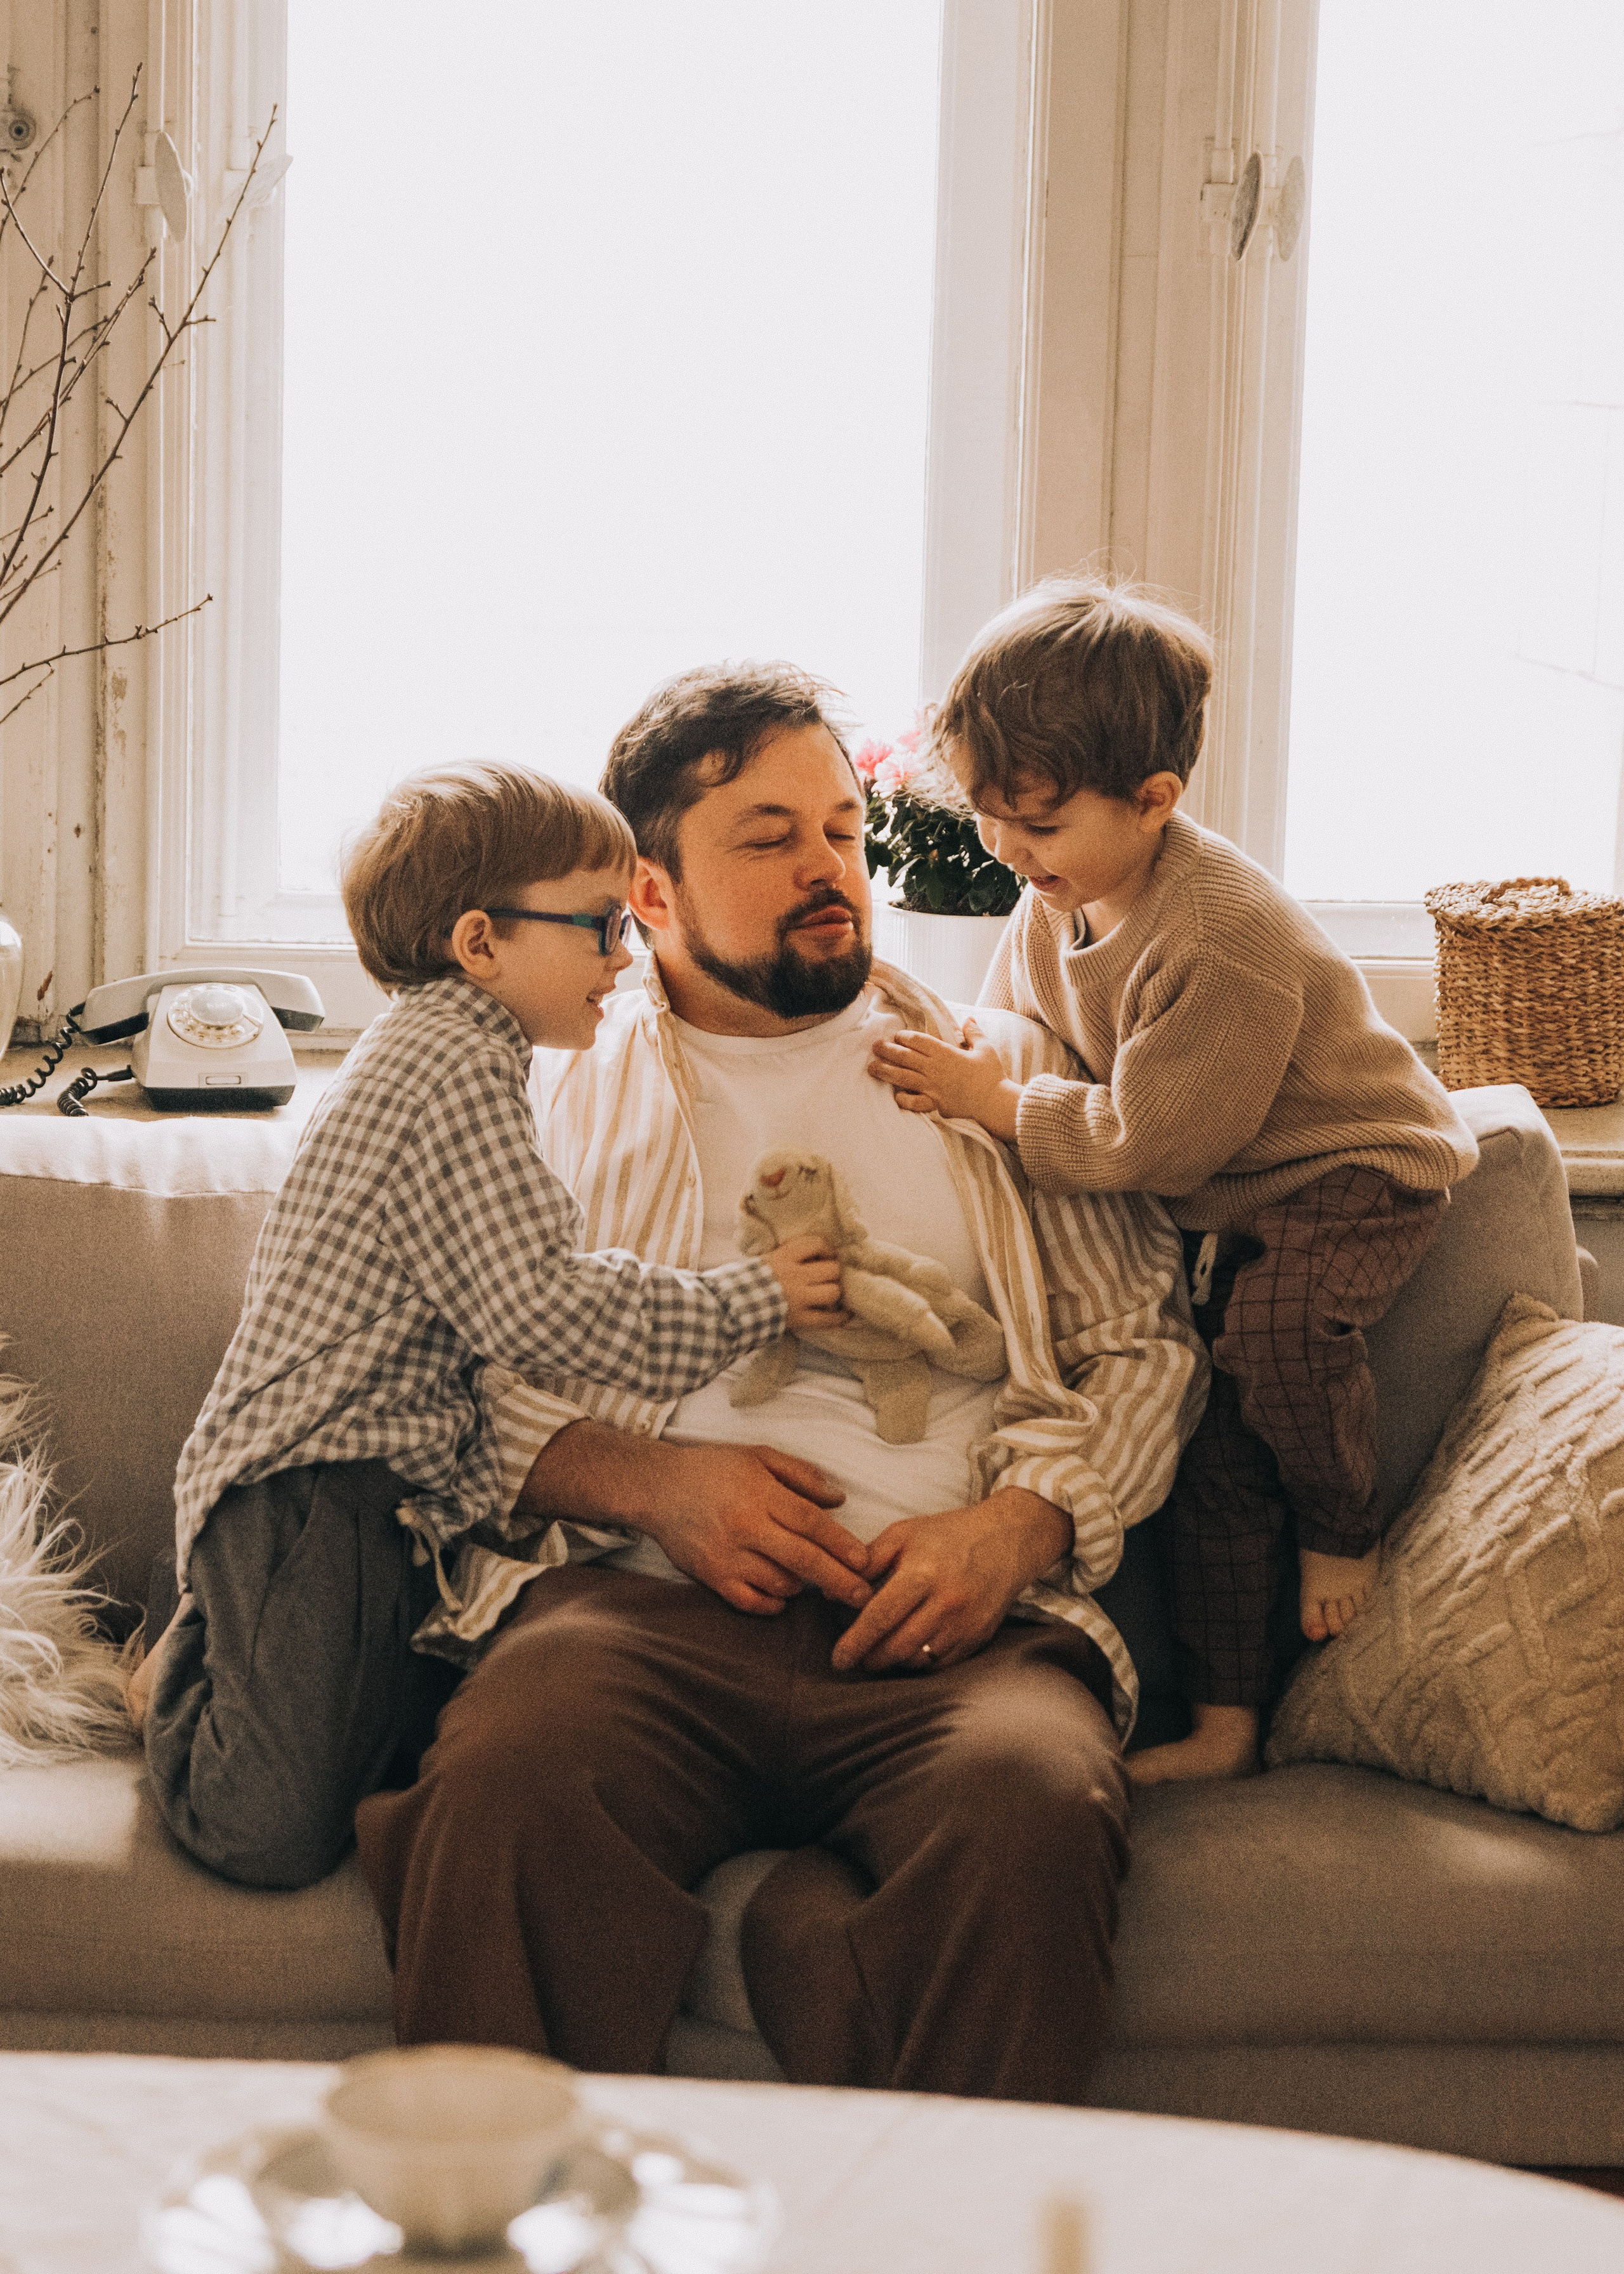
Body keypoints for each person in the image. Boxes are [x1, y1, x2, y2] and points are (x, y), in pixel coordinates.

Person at [355, 665, 1207, 2105]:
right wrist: (648, 1484)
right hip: (637, 1610)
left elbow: (1140, 1346)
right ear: (651, 887)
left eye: (840, 827)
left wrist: (1015, 1529)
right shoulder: (544, 1090)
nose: (827, 868)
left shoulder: (998, 1070)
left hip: (954, 1636)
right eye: (767, 837)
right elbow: (422, 1369)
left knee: (1031, 1802)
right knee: (504, 1778)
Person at [131, 761, 847, 1888]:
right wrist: (751, 1298)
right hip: (314, 1487)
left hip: (390, 1495)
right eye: (602, 923)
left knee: (391, 1749)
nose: (625, 952)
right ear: (481, 943)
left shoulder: (459, 1050)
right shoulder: (450, 1065)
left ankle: (234, 1666)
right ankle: (169, 1671)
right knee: (261, 1828)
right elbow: (543, 1305)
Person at [865, 577, 1479, 1784]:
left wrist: (999, 1101)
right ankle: (1226, 1726)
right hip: (1235, 1193)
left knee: (1280, 1334)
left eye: (1036, 825)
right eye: (991, 816)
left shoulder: (1222, 936)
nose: (1007, 851)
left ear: (1156, 801)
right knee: (1209, 1454)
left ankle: (1347, 1532)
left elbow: (1157, 1148)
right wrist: (973, 1067)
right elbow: (1013, 1022)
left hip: (1351, 1168)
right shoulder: (1063, 894)